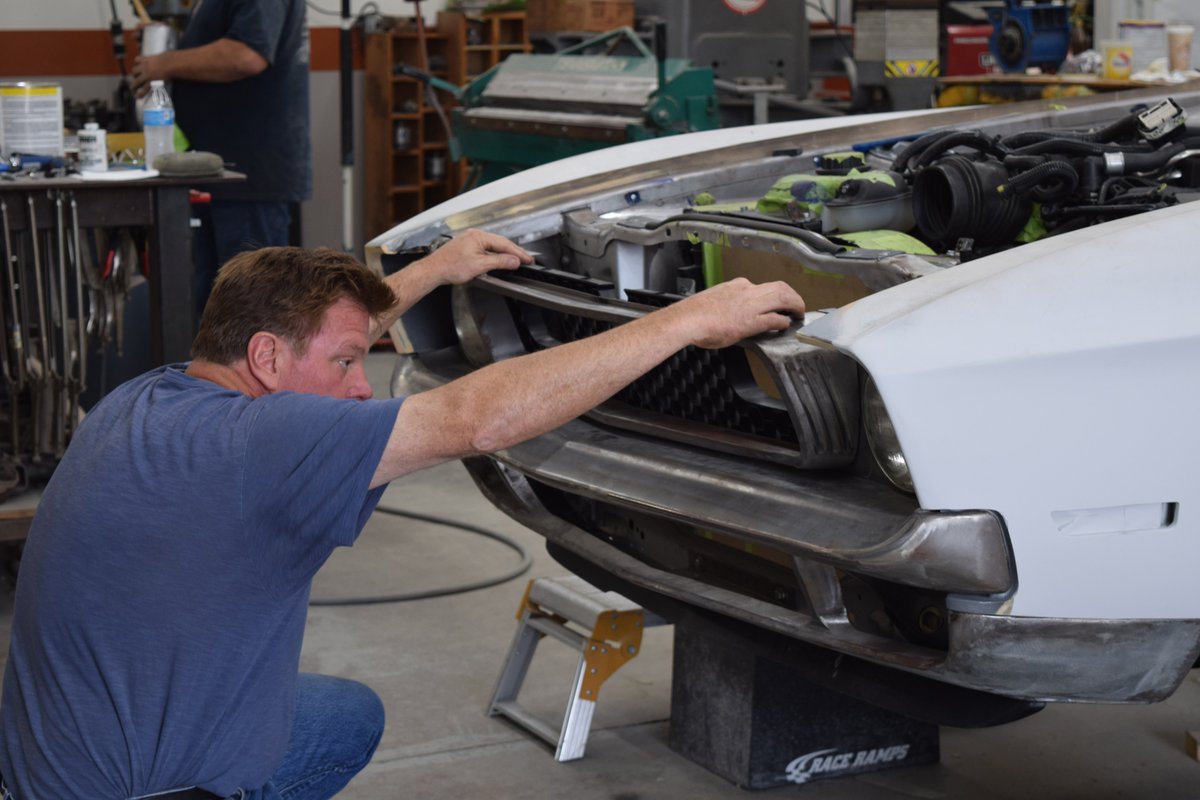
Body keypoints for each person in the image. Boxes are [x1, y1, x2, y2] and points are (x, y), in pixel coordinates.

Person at [0, 229, 806, 800]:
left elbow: (329, 339)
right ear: (267, 360)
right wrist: (685, 321)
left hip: (49, 763)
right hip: (143, 788)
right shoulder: (267, 444)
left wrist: (436, 270)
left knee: (344, 713)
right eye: (350, 364)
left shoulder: (150, 396)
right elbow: (474, 419)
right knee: (346, 726)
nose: (362, 385)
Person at [131, 0, 310, 312]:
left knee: (252, 308)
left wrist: (165, 62)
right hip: (223, 174)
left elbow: (247, 54)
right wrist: (171, 41)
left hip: (248, 177)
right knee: (221, 312)